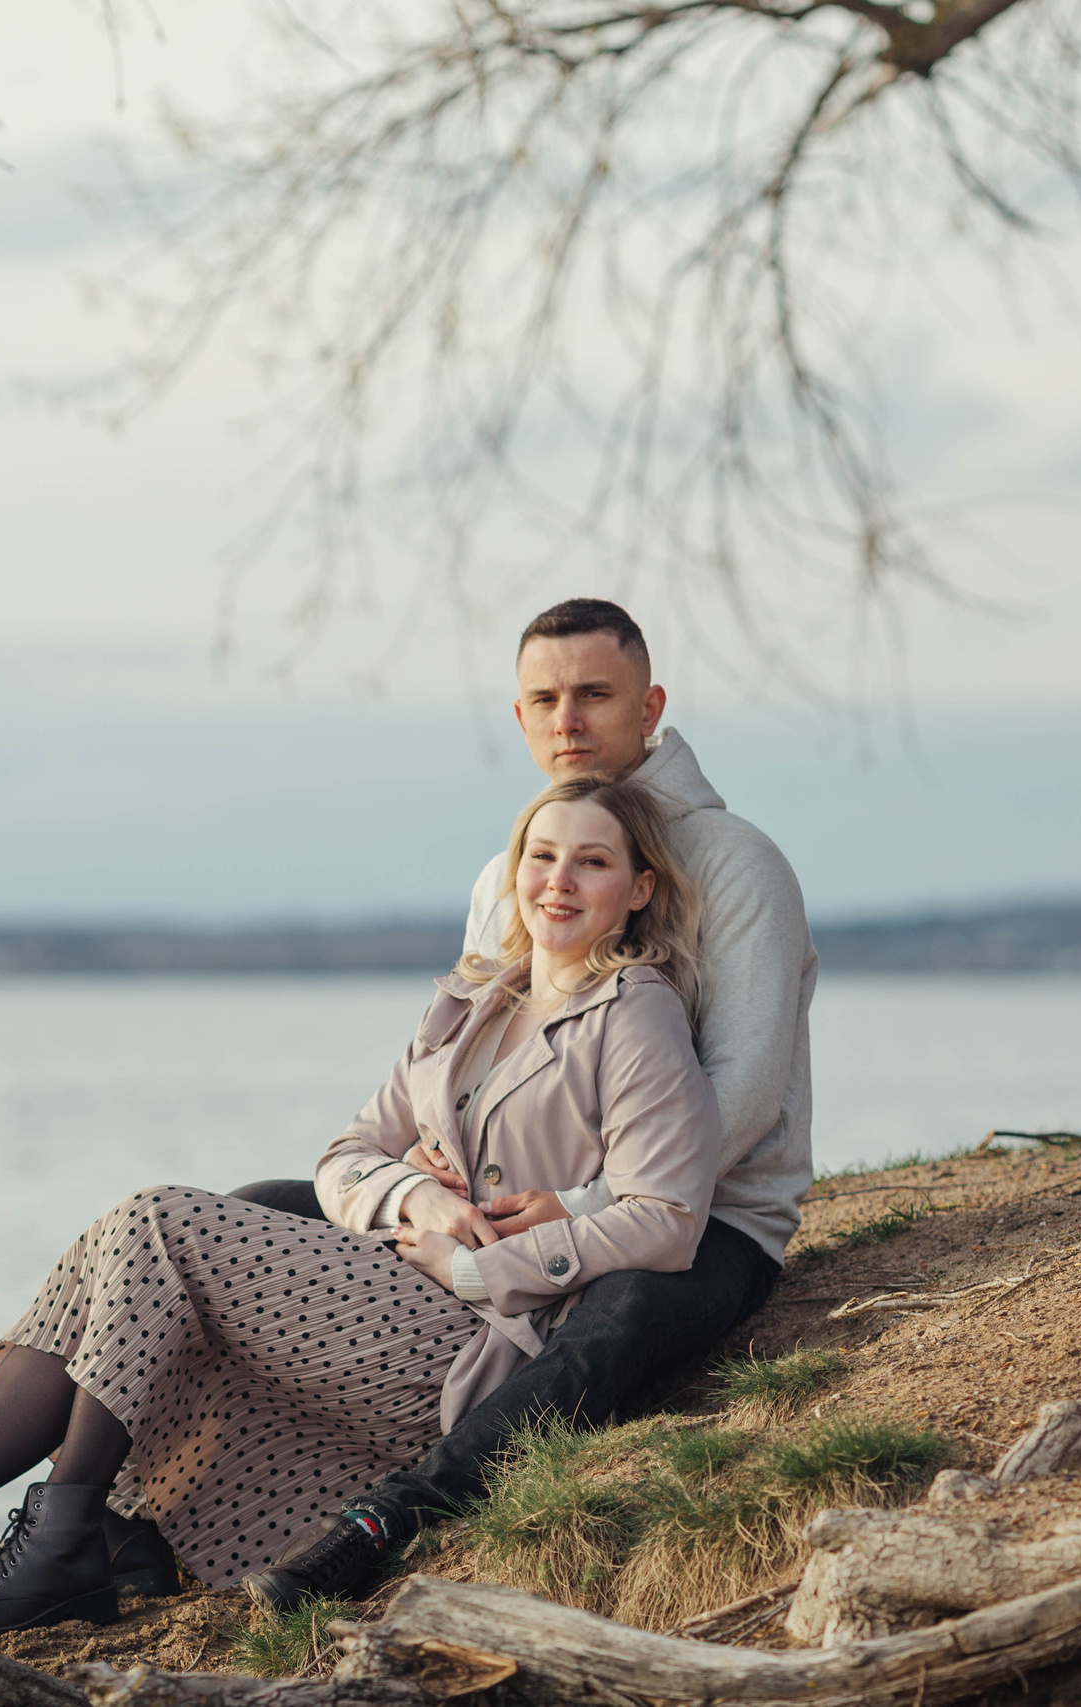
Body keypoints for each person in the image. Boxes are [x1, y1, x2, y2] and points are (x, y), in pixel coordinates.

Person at [0, 774, 722, 1638]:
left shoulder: (633, 1018)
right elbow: (347, 1153)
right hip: (390, 1293)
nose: (557, 881)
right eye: (541, 856)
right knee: (126, 1241)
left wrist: (478, 1264)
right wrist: (411, 1191)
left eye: (590, 863)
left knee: (160, 1221)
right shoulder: (472, 1000)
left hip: (473, 1337)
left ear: (636, 891)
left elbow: (666, 1218)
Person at [234, 596, 816, 1612]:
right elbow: (463, 1062)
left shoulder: (736, 864)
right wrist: (424, 1178)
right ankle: (122, 1522)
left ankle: (388, 1520)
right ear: (519, 718)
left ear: (650, 705)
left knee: (621, 1309)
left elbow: (746, 1097)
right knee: (256, 1213)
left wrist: (582, 1205)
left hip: (701, 1219)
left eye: (594, 694)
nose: (569, 720)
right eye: (545, 699)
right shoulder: (508, 874)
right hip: (503, 1207)